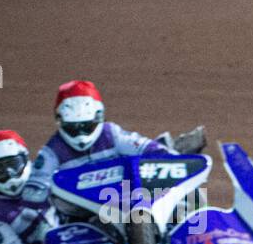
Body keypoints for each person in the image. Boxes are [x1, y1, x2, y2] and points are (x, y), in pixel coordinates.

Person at [29, 80, 204, 201]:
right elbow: (34, 190)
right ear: (60, 121)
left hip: (125, 197)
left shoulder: (111, 133)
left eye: (86, 126)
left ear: (99, 117)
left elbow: (144, 147)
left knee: (185, 192)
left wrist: (172, 158)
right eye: (73, 127)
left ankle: (196, 230)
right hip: (82, 211)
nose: (80, 134)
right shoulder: (52, 151)